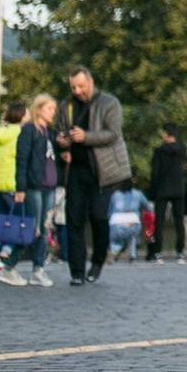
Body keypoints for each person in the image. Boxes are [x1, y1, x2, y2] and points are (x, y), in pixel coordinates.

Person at [53, 67, 131, 285]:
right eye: (73, 87)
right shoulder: (66, 106)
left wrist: (85, 137)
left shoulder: (109, 103)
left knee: (98, 216)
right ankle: (77, 272)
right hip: (75, 169)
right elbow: (58, 130)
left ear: (91, 82)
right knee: (74, 220)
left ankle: (98, 261)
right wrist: (61, 142)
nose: (78, 91)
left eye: (81, 86)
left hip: (102, 171)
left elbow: (113, 134)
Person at [0, 95, 57, 287]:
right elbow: (21, 160)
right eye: (49, 109)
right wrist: (20, 187)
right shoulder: (29, 131)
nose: (53, 112)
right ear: (38, 109)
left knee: (44, 229)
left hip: (49, 186)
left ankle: (38, 269)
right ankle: (9, 267)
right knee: (32, 229)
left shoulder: (50, 133)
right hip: (34, 186)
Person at [0, 101, 24, 273]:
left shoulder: (3, 133)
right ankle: (7, 250)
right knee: (18, 218)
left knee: (3, 220)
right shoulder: (19, 133)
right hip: (11, 181)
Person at [148, 124, 187, 263]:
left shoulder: (159, 151)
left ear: (166, 134)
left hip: (162, 189)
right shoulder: (182, 150)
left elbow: (155, 173)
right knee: (179, 222)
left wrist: (152, 192)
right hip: (178, 188)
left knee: (159, 222)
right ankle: (180, 252)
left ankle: (157, 251)